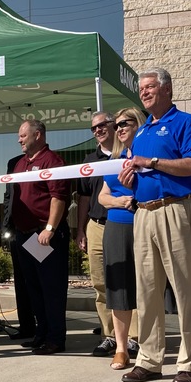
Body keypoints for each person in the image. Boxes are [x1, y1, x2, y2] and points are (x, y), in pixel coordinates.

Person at [118, 67, 191, 382]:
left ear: (167, 89)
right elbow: (135, 171)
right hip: (143, 214)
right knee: (147, 292)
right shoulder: (140, 133)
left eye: (150, 87)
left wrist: (151, 163)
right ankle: (150, 360)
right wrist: (131, 177)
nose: (144, 93)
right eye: (141, 89)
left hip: (174, 210)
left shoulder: (185, 123)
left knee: (183, 289)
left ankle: (188, 363)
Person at [10, 119, 71, 355]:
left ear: (38, 135)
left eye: (23, 135)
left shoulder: (52, 162)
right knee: (33, 287)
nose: (19, 140)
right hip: (24, 236)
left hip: (43, 235)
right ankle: (42, 333)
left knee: (51, 287)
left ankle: (56, 338)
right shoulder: (20, 164)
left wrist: (49, 228)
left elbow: (58, 198)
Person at [97, 108, 145, 370]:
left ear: (139, 125)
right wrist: (119, 200)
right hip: (116, 227)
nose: (120, 128)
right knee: (118, 290)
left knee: (148, 288)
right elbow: (102, 196)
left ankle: (148, 345)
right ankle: (122, 349)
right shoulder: (115, 160)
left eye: (125, 123)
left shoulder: (147, 157)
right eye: (117, 125)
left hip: (144, 225)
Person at [77, 111, 120, 357]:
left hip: (122, 224)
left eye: (102, 125)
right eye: (93, 128)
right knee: (100, 284)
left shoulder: (125, 154)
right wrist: (81, 229)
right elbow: (83, 197)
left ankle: (133, 336)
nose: (97, 130)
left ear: (114, 126)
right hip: (95, 226)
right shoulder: (89, 160)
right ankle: (109, 336)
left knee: (126, 282)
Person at [1, 153, 37, 341]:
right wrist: (6, 224)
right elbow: (9, 195)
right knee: (21, 280)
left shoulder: (47, 161)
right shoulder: (13, 162)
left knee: (39, 279)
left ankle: (44, 326)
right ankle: (26, 327)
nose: (20, 140)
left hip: (37, 232)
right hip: (17, 231)